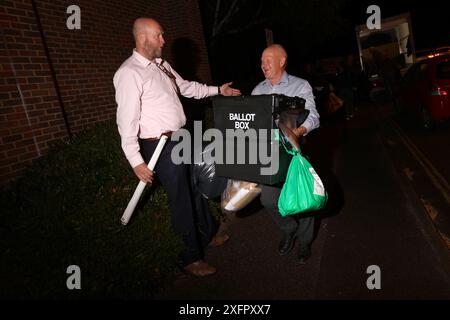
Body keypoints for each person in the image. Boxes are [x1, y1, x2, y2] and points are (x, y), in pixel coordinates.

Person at [113, 18, 241, 277]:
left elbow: (186, 88)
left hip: (180, 139)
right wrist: (136, 160)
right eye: (159, 36)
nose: (163, 41)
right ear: (142, 38)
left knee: (195, 189)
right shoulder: (129, 73)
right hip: (160, 147)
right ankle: (189, 257)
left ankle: (208, 233)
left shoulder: (161, 66)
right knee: (181, 198)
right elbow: (126, 122)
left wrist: (218, 90)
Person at [252, 44, 320, 264]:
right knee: (268, 200)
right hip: (269, 154)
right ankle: (289, 228)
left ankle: (304, 242)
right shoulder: (257, 90)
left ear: (282, 61)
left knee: (304, 200)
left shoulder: (300, 85)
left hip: (295, 152)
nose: (263, 65)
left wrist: (297, 132)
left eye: (268, 60)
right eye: (262, 61)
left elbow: (314, 117)